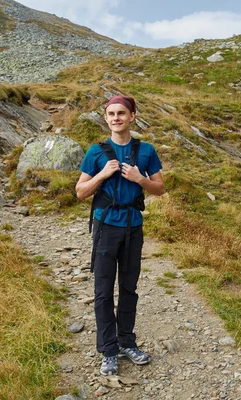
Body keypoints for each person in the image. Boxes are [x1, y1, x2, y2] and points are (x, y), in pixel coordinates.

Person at [75, 95, 165, 376]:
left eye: (122, 113)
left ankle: (127, 342)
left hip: (133, 226)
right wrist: (102, 174)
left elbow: (160, 189)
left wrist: (141, 180)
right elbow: (80, 192)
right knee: (103, 291)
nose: (116, 118)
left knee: (129, 287)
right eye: (111, 113)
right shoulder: (96, 151)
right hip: (104, 227)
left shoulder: (146, 150)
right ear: (106, 118)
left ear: (132, 117)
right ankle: (109, 350)